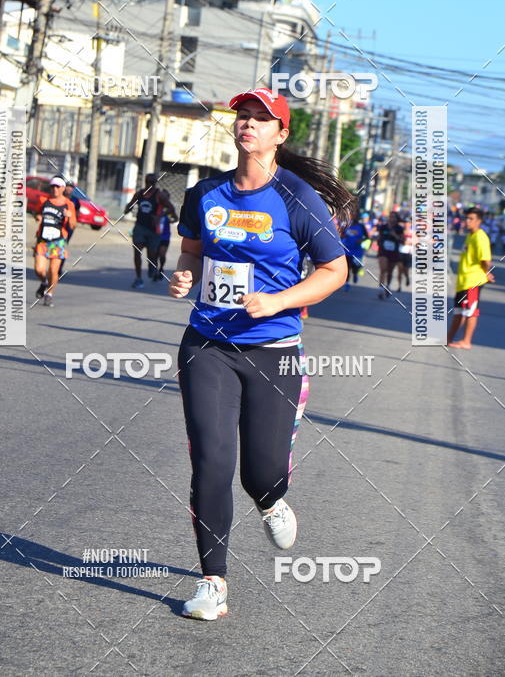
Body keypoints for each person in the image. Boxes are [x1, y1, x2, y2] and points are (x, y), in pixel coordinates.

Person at [168, 88, 350, 621]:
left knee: (261, 473)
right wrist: (184, 277)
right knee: (211, 460)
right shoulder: (205, 194)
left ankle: (271, 501)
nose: (247, 124)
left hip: (274, 351)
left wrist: (278, 301)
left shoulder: (297, 199)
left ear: (280, 134)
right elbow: (193, 254)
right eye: (242, 117)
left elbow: (334, 271)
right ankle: (213, 583)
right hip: (207, 345)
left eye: (260, 119)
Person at [447, 207, 494, 349]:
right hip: (463, 282)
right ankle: (448, 338)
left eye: (471, 219)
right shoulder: (470, 235)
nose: (467, 221)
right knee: (458, 311)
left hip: (473, 281)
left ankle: (466, 341)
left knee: (470, 312)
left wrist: (486, 273)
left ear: (479, 221)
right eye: (466, 218)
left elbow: (486, 260)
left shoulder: (480, 237)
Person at [34, 176, 77, 306]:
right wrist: (38, 217)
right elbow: (37, 213)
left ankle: (49, 294)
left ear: (63, 188)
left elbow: (73, 225)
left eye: (57, 187)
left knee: (53, 270)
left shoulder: (69, 204)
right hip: (42, 239)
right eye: (52, 186)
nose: (54, 189)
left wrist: (69, 217)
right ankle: (44, 282)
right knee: (39, 269)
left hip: (58, 241)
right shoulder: (43, 200)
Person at [124, 173, 165, 288]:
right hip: (140, 227)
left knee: (152, 254)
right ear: (145, 182)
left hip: (153, 230)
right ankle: (138, 278)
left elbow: (170, 208)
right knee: (137, 252)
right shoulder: (139, 194)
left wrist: (161, 215)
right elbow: (129, 206)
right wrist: (127, 208)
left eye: (153, 183)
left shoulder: (159, 195)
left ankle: (152, 266)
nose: (150, 185)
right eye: (148, 182)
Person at [375, 211, 404, 299]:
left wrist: (394, 235)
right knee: (383, 269)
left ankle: (387, 286)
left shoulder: (399, 228)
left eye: (393, 217)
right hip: (383, 251)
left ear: (396, 219)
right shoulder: (383, 227)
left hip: (393, 252)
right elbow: (379, 237)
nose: (392, 219)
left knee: (390, 272)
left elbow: (402, 240)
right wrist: (379, 242)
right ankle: (380, 289)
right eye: (390, 217)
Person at [152, 188, 177, 281]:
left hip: (165, 235)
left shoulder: (169, 209)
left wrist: (170, 220)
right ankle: (155, 271)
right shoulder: (156, 207)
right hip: (155, 235)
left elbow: (175, 218)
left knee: (162, 254)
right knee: (155, 255)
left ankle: (161, 268)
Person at [341, 215, 368, 291]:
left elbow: (367, 237)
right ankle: (347, 283)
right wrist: (343, 236)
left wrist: (361, 240)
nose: (353, 218)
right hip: (346, 249)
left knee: (355, 266)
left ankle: (355, 273)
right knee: (347, 267)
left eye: (354, 217)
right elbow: (341, 235)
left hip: (357, 251)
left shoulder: (361, 226)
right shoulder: (346, 225)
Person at [396, 218, 413, 292]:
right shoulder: (401, 231)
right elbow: (399, 240)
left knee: (405, 270)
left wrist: (407, 242)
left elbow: (416, 241)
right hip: (400, 252)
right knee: (399, 270)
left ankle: (407, 278)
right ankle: (399, 286)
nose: (407, 224)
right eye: (406, 223)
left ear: (411, 224)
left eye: (408, 223)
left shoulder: (413, 232)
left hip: (408, 253)